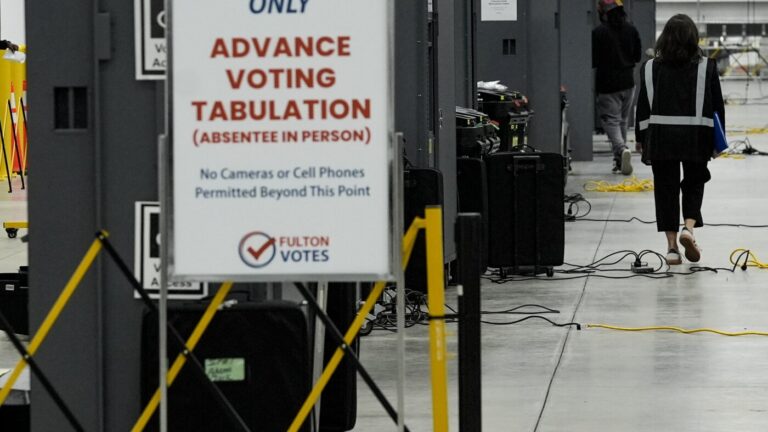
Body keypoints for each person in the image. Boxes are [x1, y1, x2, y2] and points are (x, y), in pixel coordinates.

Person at [635, 14, 725, 265]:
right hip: (696, 136)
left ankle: (672, 248)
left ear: (665, 38)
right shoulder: (707, 67)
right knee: (695, 182)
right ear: (693, 39)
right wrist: (719, 142)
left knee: (665, 189)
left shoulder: (650, 67)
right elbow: (717, 107)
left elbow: (642, 107)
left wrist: (641, 140)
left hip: (661, 137)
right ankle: (689, 228)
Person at [592, 0, 642, 175]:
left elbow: (593, 59)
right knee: (622, 120)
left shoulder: (599, 32)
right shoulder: (631, 29)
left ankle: (621, 149)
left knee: (611, 121)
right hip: (628, 82)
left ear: (604, 12)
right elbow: (637, 56)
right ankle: (619, 160)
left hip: (607, 84)